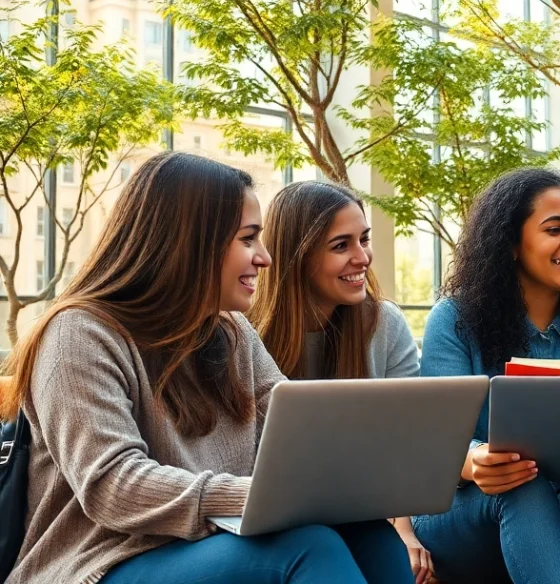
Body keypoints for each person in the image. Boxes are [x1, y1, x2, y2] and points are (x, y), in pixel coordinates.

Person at [0, 152, 413, 584]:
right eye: (248, 239)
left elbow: (298, 430)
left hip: (209, 544)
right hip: (99, 562)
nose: (265, 259)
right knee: (306, 548)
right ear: (190, 242)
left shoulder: (230, 331)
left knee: (371, 536)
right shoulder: (78, 334)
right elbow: (113, 486)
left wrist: (379, 472)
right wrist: (254, 496)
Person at [413, 168, 560, 584]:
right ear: (510, 244)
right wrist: (474, 461)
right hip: (467, 516)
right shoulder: (454, 320)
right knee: (523, 483)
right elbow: (435, 438)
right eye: (554, 228)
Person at [248, 180, 430, 583]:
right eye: (341, 245)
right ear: (297, 257)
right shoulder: (246, 335)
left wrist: (405, 529)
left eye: (363, 239)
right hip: (273, 518)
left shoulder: (384, 324)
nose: (362, 257)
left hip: (356, 512)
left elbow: (404, 447)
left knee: (388, 553)